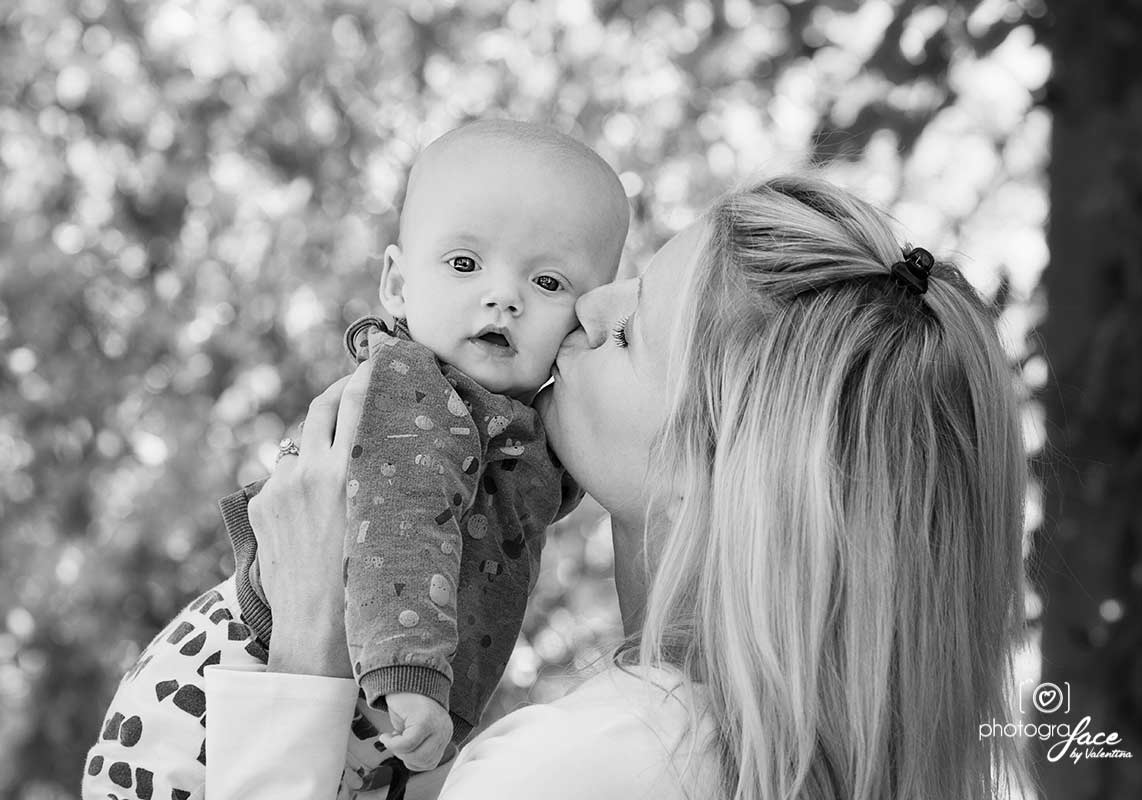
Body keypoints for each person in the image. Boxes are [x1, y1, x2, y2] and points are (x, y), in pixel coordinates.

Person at [197, 173, 1031, 800]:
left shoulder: (594, 768)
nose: (586, 309)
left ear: (717, 474)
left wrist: (306, 636)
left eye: (630, 331)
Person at [81, 120, 628, 799]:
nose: (504, 296)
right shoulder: (413, 387)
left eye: (547, 281)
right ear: (396, 285)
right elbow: (404, 521)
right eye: (465, 264)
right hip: (216, 699)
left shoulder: (514, 429)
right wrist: (410, 673)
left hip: (326, 722)